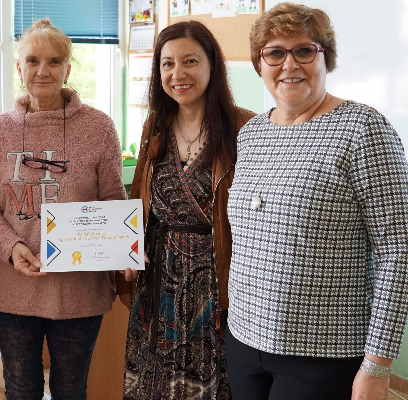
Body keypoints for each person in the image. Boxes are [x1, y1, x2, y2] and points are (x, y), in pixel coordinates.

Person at [225, 3, 408, 400]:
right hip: (244, 339)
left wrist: (377, 365)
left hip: (322, 352)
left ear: (326, 57)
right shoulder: (253, 132)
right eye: (275, 53)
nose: (289, 64)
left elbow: (397, 251)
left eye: (304, 50)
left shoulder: (363, 129)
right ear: (260, 63)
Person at [0, 19, 126, 400]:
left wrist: (123, 247)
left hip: (79, 291)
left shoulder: (99, 127)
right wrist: (12, 248)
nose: (43, 70)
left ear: (68, 69)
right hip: (14, 288)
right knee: (21, 389)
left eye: (54, 61)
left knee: (70, 389)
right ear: (18, 67)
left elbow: (113, 199)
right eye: (33, 60)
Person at [121, 21, 254, 400]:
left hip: (220, 278)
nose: (177, 73)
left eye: (190, 61)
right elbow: (140, 198)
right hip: (157, 282)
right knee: (152, 384)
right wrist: (128, 249)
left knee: (215, 383)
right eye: (167, 64)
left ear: (212, 66)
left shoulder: (245, 127)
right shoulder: (155, 126)